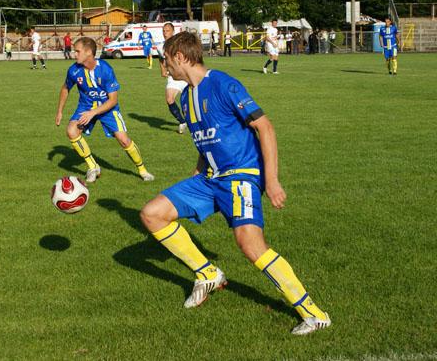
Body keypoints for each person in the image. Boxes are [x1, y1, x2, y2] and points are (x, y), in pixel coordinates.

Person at [139, 31, 331, 335]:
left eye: (166, 60)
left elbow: (264, 127)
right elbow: (205, 144)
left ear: (179, 57)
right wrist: (197, 174)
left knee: (250, 245)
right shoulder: (187, 97)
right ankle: (208, 273)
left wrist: (272, 180)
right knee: (152, 213)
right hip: (209, 179)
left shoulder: (223, 83)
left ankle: (313, 313)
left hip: (240, 176)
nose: (164, 67)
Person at [55, 37, 154, 183]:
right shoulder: (73, 70)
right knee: (71, 130)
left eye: (77, 51)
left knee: (123, 140)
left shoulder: (105, 69)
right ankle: (93, 167)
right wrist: (59, 111)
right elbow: (65, 88)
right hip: (86, 106)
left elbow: (113, 99)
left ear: (88, 52)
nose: (74, 54)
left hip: (107, 107)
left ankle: (142, 170)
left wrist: (93, 113)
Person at [158, 22, 187, 134]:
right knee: (169, 99)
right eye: (164, 31)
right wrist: (163, 70)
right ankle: (182, 122)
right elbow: (161, 59)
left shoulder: (179, 44)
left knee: (192, 101)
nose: (165, 33)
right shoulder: (160, 46)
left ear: (173, 31)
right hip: (173, 77)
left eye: (167, 30)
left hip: (185, 76)